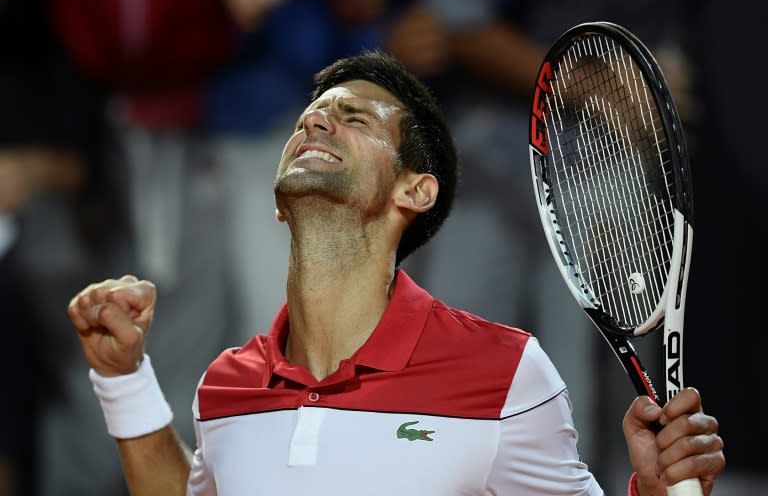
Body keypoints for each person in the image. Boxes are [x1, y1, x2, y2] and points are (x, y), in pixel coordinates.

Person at [66, 50, 724, 495]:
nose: (316, 120)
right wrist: (123, 378)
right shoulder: (226, 386)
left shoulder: (507, 374)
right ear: (277, 201)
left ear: (416, 191)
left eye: (352, 119)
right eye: (308, 120)